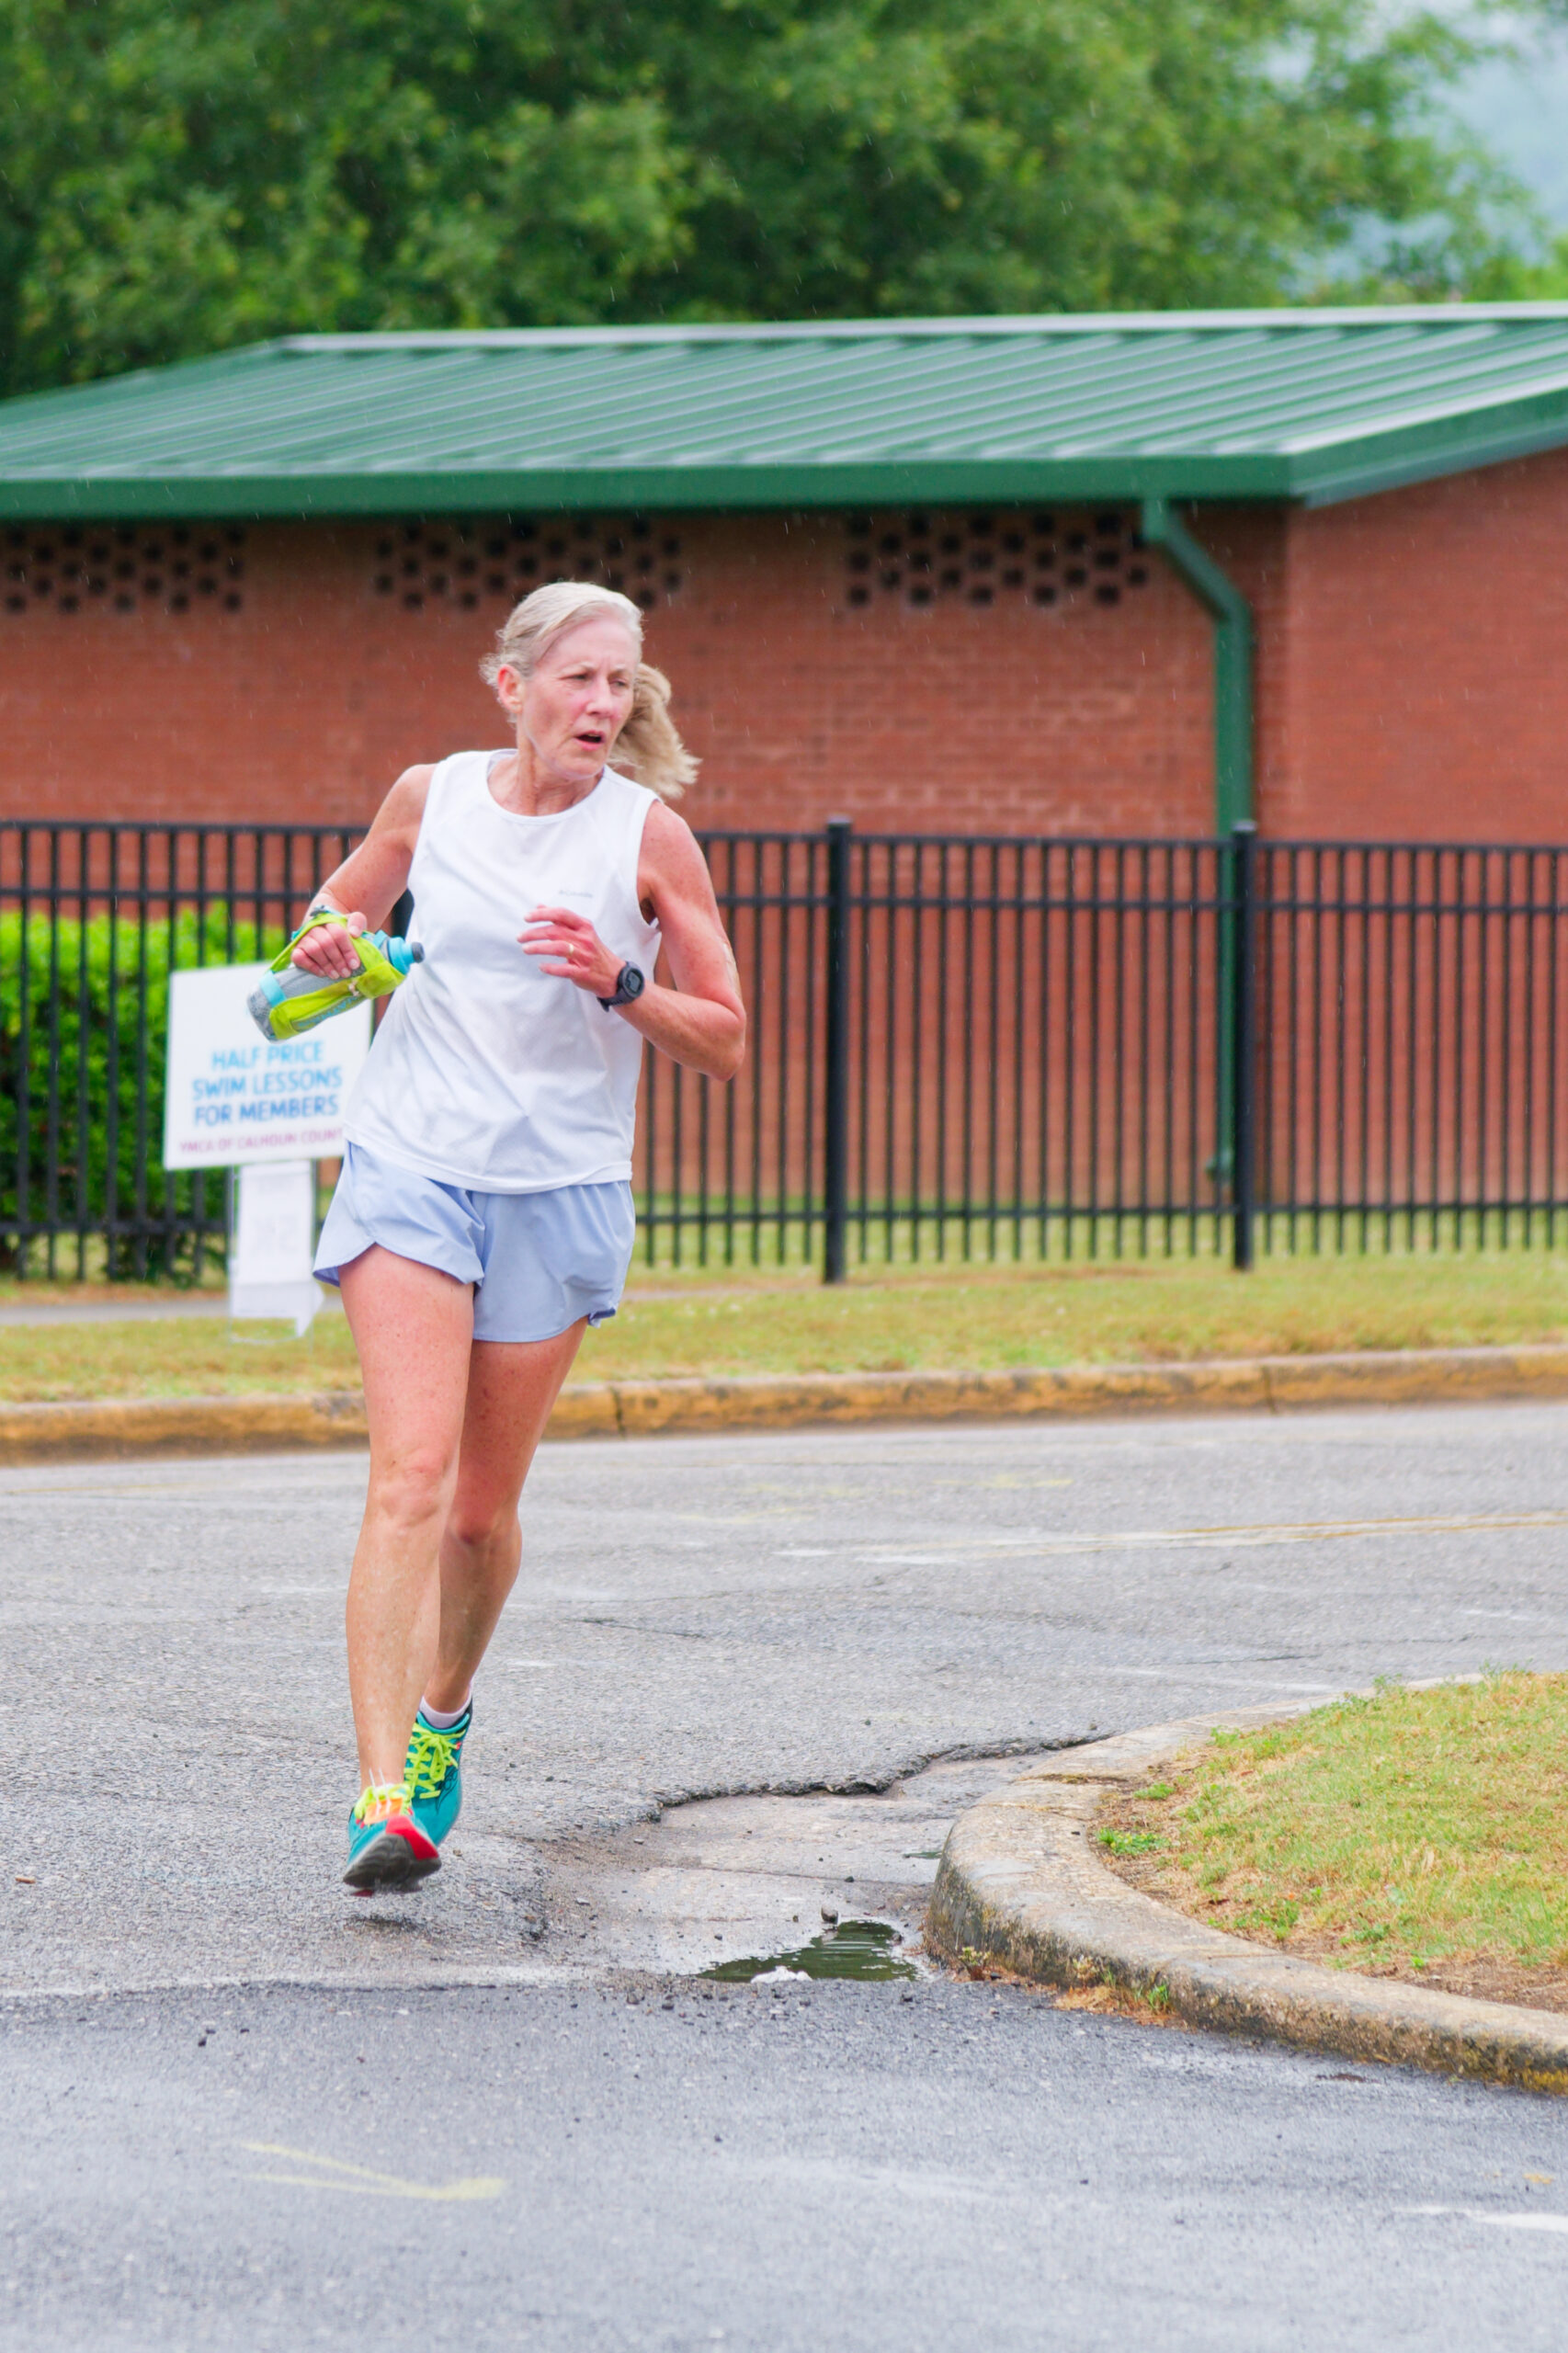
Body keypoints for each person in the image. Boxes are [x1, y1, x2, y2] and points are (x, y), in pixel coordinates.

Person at [290, 581, 745, 1893]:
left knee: (479, 1521)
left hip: (557, 1187)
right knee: (409, 1480)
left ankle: (442, 1722)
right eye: (576, 680)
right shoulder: (429, 797)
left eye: (619, 685)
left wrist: (619, 981)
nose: (600, 704)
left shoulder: (647, 838)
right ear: (511, 685)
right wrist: (333, 947)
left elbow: (724, 1037)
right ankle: (383, 1797)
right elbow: (334, 914)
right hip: (410, 1163)